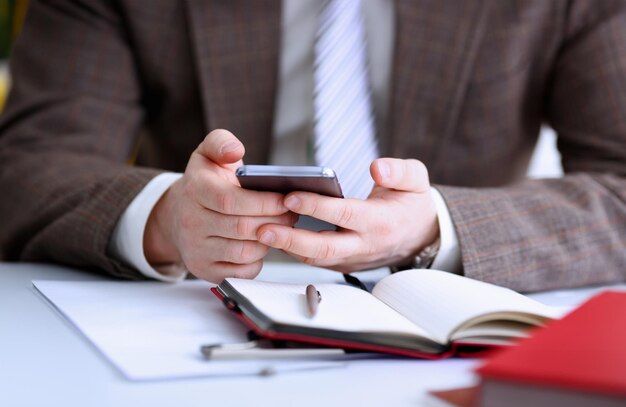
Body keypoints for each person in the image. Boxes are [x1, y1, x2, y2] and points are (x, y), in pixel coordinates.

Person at [0, 0, 624, 292]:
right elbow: (26, 165)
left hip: (441, 328)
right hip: (188, 312)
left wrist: (438, 225)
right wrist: (167, 217)